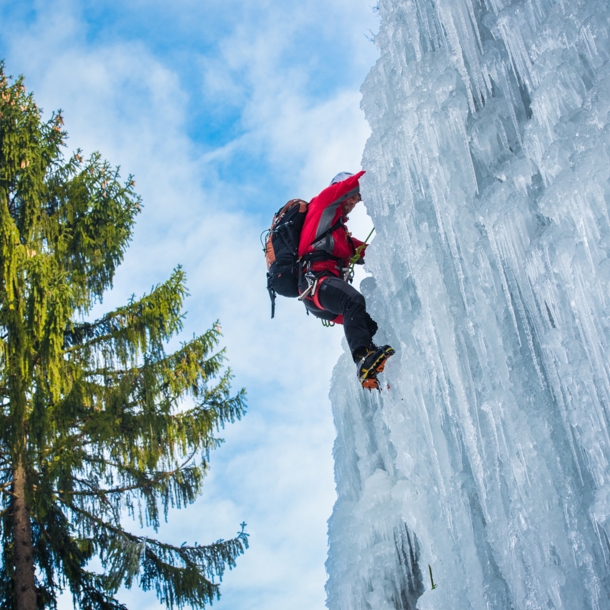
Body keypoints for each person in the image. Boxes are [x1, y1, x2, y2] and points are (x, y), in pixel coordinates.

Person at [298, 170, 394, 389]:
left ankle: (379, 374)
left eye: (357, 198)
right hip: (315, 283)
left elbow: (364, 252)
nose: (355, 199)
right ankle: (362, 359)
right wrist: (377, 173)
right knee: (353, 300)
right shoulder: (323, 204)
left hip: (322, 293)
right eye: (353, 195)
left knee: (371, 324)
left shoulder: (339, 234)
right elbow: (352, 184)